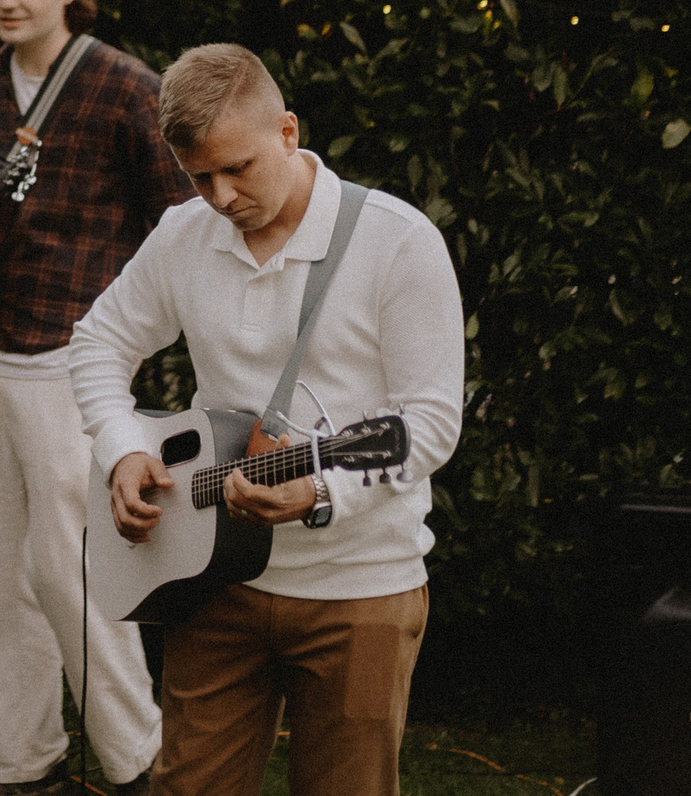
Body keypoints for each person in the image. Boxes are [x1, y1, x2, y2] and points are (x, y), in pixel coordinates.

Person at [69, 44, 466, 796]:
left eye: (238, 168)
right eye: (199, 176)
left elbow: (428, 422)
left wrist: (321, 493)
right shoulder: (185, 233)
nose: (220, 195)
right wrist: (122, 449)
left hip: (361, 589)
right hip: (211, 580)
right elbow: (98, 339)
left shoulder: (400, 242)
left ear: (287, 131)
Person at [0, 0, 194, 796]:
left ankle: (136, 760)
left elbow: (184, 223)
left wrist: (137, 335)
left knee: (71, 564)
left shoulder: (124, 88)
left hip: (72, 361)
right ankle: (16, 761)